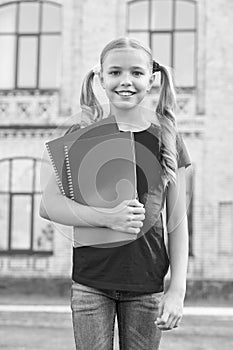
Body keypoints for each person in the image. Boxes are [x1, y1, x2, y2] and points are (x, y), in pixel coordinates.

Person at [40, 37, 191, 350]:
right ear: (101, 78)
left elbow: (177, 223)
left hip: (146, 285)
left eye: (136, 73)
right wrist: (105, 218)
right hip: (90, 284)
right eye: (116, 72)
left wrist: (177, 289)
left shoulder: (166, 136)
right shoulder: (82, 133)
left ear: (151, 79)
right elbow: (48, 204)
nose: (126, 81)